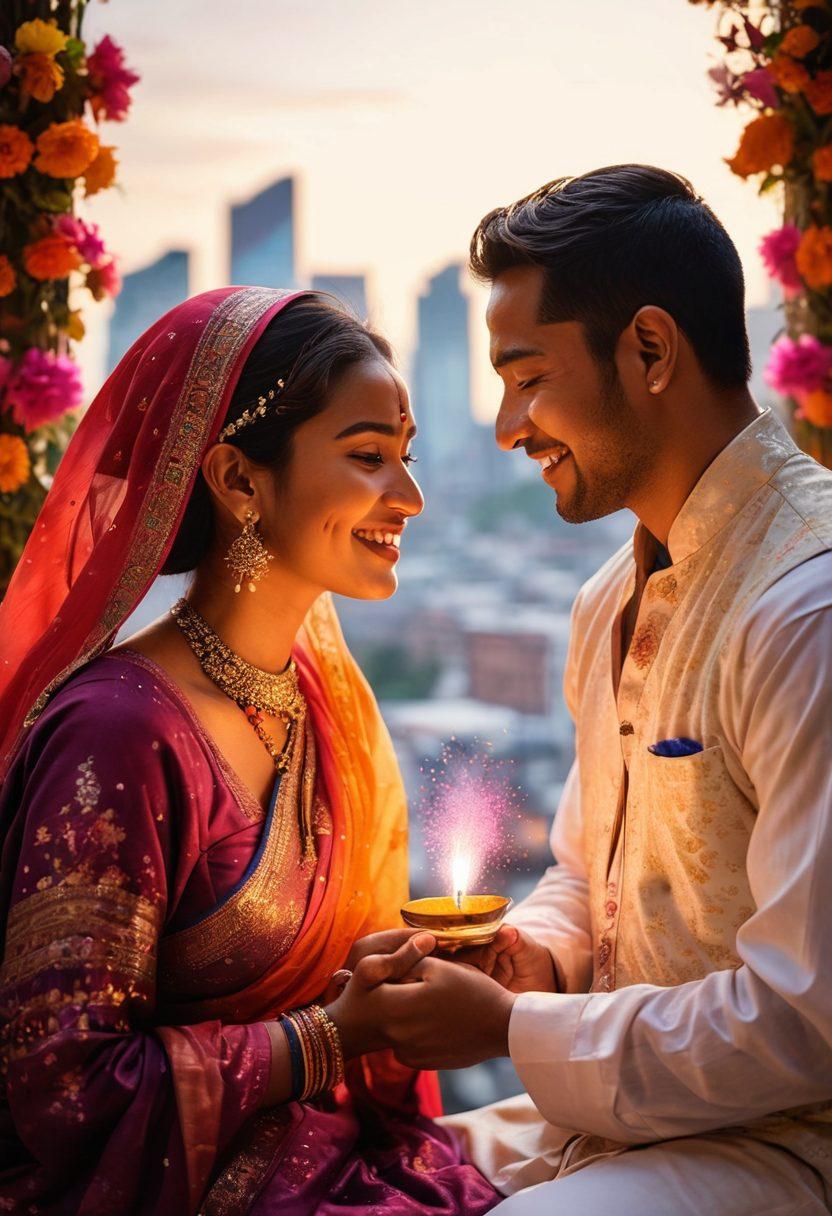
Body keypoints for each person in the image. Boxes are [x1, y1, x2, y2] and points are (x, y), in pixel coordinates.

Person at [349, 166, 832, 1214]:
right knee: (338, 1178)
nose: (506, 427)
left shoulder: (806, 610)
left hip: (790, 1144)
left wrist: (505, 1029)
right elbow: (586, 872)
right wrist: (531, 960)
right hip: (613, 1120)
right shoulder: (607, 600)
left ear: (649, 350)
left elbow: (807, 1023)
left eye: (525, 377)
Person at [0, 287, 500, 1215]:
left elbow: (333, 975)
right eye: (367, 458)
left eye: (407, 456)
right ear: (237, 479)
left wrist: (395, 984)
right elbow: (60, 1083)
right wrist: (330, 1037)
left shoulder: (324, 704)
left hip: (331, 1160)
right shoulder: (118, 734)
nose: (413, 498)